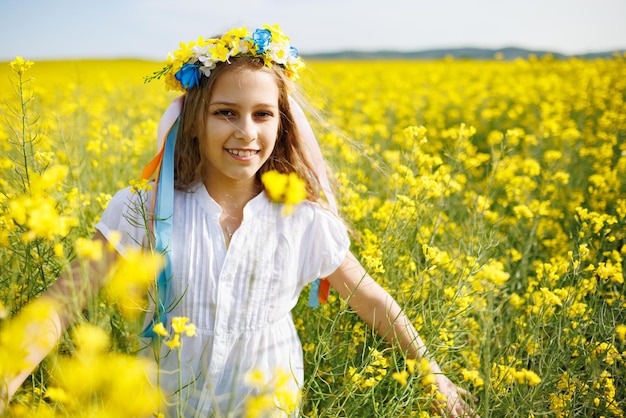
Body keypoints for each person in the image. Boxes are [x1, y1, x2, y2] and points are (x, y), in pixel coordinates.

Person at [1, 24, 478, 417]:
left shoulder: (303, 220)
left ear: (281, 124)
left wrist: (431, 372)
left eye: (262, 114)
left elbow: (371, 299)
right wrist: (8, 374)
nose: (246, 133)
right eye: (225, 113)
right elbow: (63, 302)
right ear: (195, 121)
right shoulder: (140, 209)